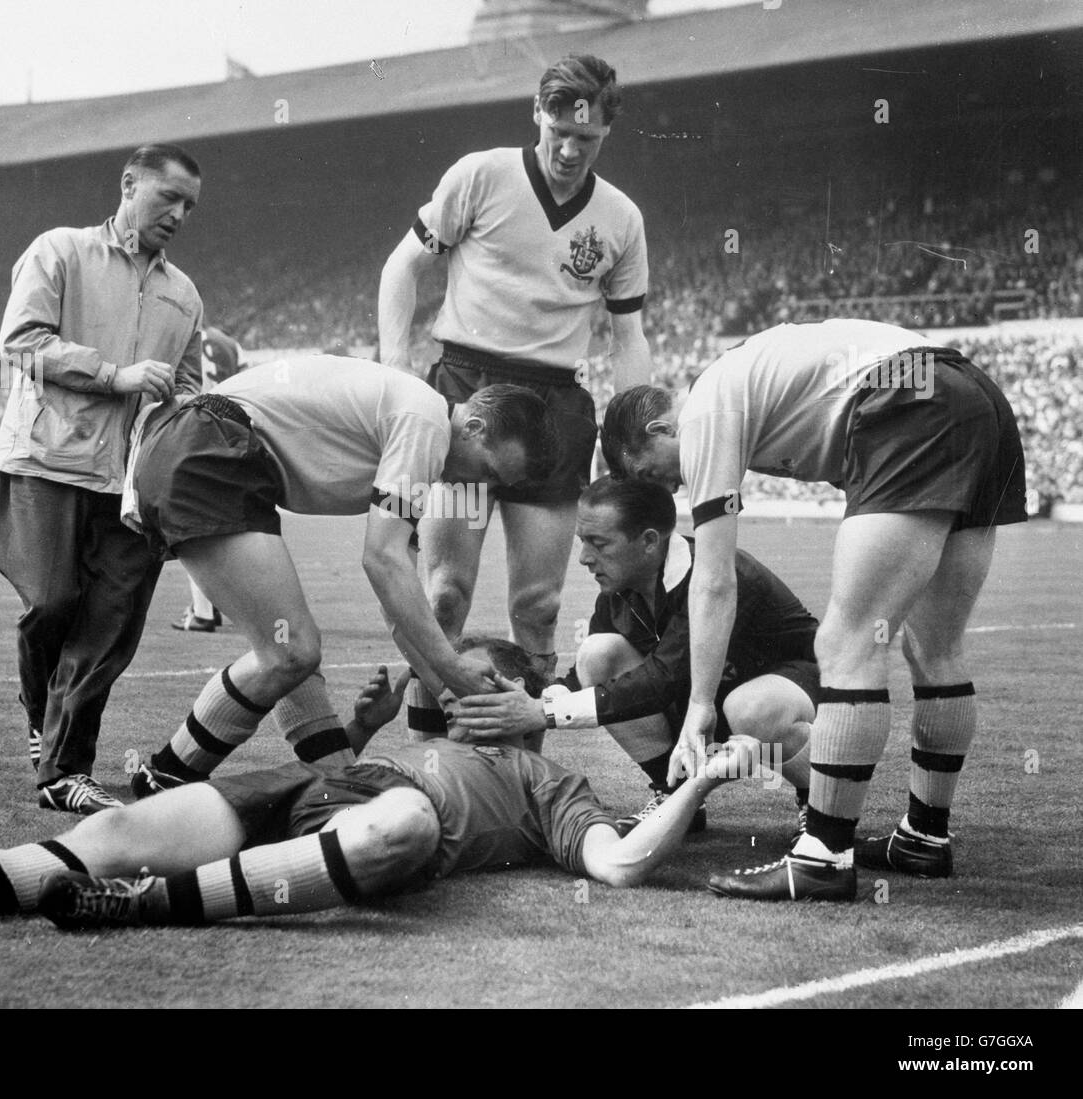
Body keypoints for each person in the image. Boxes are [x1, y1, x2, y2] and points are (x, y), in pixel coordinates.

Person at [0, 639, 768, 933]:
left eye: (465, 672)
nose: (440, 678)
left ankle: (147, 908)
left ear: (512, 693)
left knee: (403, 824)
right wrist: (369, 726)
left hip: (374, 836)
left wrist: (708, 777)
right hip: (304, 801)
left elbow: (624, 863)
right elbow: (329, 759)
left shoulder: (548, 784)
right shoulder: (401, 739)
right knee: (127, 826)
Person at [603, 320, 1028, 901]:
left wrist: (700, 705)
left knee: (845, 643)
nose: (670, 487)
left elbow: (714, 578)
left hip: (906, 400)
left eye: (654, 471)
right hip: (973, 396)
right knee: (935, 645)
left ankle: (824, 858)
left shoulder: (705, 412)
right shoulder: (757, 389)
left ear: (660, 427)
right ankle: (925, 837)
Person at [124, 355, 556, 798]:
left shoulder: (423, 430)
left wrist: (447, 689)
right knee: (289, 651)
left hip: (206, 445)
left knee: (291, 654)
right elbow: (382, 560)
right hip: (208, 445)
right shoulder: (427, 423)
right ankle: (166, 775)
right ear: (475, 427)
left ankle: (341, 787)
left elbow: (398, 601)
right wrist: (450, 671)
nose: (477, 484)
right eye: (486, 471)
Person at [377, 53, 651, 717]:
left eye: (585, 138)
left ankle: (527, 753)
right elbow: (401, 268)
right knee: (444, 591)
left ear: (606, 132)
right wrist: (395, 370)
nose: (567, 148)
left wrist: (631, 427)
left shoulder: (619, 218)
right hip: (468, 396)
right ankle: (428, 747)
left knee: (540, 605)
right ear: (538, 112)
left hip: (553, 411)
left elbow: (628, 334)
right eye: (558, 129)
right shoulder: (482, 176)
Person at [0, 144, 204, 814]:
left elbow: (189, 391)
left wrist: (185, 440)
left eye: (189, 205)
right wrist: (117, 375)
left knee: (111, 622)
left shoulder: (185, 293)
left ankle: (64, 768)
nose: (179, 213)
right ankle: (44, 720)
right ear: (129, 184)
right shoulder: (60, 252)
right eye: (168, 196)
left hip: (134, 484)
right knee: (53, 602)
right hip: (46, 462)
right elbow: (21, 340)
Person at [449, 477, 818, 836]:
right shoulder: (620, 589)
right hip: (708, 701)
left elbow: (663, 678)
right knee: (598, 654)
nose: (583, 558)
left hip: (796, 688)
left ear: (649, 542)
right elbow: (585, 676)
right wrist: (533, 701)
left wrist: (540, 715)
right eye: (582, 541)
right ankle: (673, 791)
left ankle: (821, 807)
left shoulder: (716, 577)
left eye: (598, 543)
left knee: (751, 707)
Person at [172, 326, 244, 633]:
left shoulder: (180, 335)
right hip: (230, 432)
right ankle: (221, 608)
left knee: (192, 528)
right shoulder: (231, 344)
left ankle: (203, 612)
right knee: (229, 529)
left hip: (194, 430)